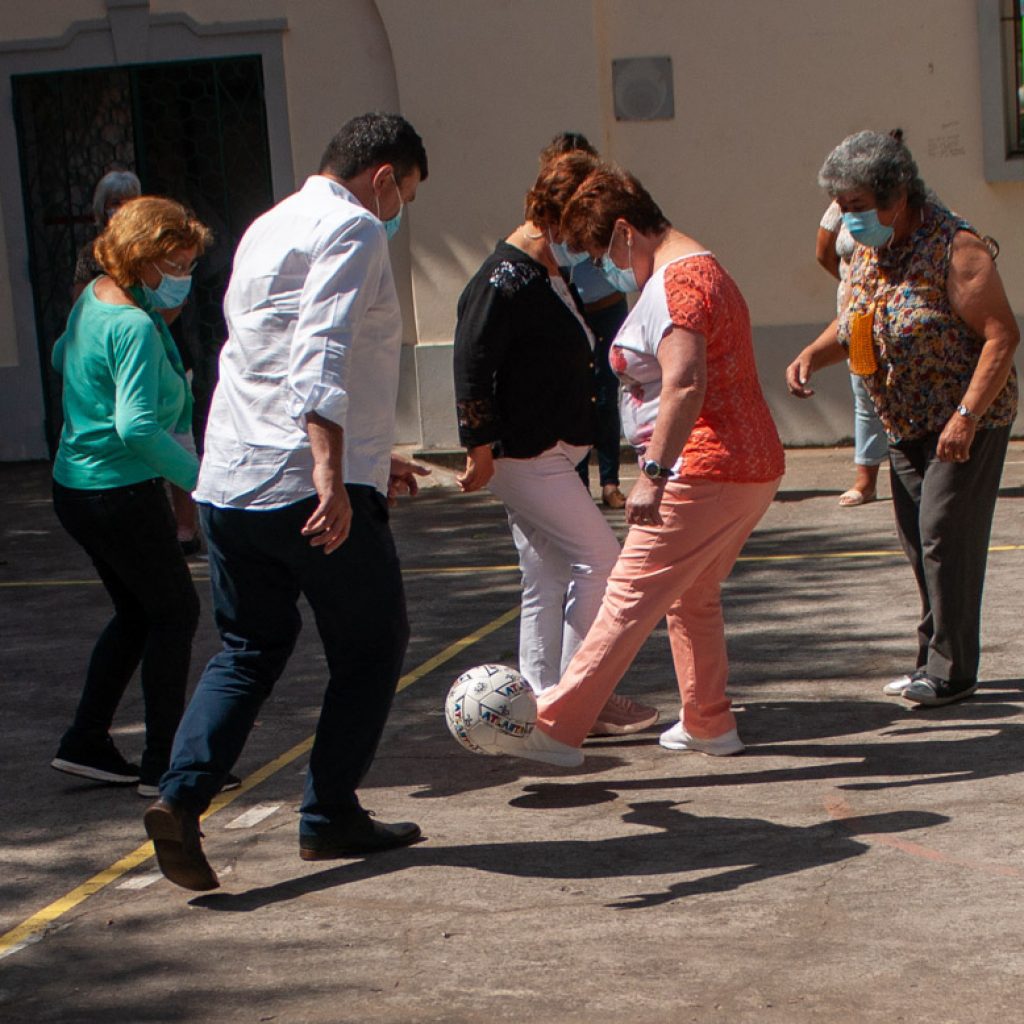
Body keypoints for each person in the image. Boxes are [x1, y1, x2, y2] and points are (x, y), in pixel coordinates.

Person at [143, 113, 432, 891]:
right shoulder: (356, 230)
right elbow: (320, 351)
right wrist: (335, 475)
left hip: (231, 479)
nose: (400, 210)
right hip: (305, 488)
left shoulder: (267, 226)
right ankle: (328, 812)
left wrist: (370, 457)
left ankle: (180, 797)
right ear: (381, 179)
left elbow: (262, 353)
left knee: (249, 648)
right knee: (371, 648)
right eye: (404, 192)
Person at [480, 165, 785, 767]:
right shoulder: (704, 267)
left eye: (598, 251)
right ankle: (708, 722)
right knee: (691, 593)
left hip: (703, 469)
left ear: (625, 232)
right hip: (746, 467)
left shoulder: (678, 281)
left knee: (624, 599)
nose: (598, 267)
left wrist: (653, 473)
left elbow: (685, 382)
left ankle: (558, 727)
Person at [786, 130, 1018, 705]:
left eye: (858, 207)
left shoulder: (955, 247)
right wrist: (814, 353)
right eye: (843, 206)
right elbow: (856, 321)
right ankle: (930, 657)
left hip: (964, 419)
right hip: (904, 420)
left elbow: (1001, 335)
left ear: (899, 197)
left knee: (943, 534)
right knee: (919, 541)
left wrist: (966, 415)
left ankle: (953, 670)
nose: (847, 218)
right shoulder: (871, 249)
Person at [453, 153, 658, 736]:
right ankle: (578, 694)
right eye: (580, 232)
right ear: (552, 218)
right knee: (601, 562)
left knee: (545, 572)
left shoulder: (544, 271)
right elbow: (471, 360)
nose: (589, 248)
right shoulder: (505, 278)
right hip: (527, 453)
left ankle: (540, 697)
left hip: (549, 450)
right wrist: (479, 444)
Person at [50, 197, 212, 793]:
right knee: (175, 613)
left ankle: (86, 740)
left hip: (78, 489)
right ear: (143, 259)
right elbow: (138, 428)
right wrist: (207, 483)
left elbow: (58, 357)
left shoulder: (95, 298)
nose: (183, 279)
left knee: (139, 613)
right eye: (175, 265)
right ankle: (164, 765)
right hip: (118, 492)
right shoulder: (134, 325)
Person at [540, 132, 628, 509]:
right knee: (574, 396)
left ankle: (610, 480)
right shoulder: (547, 206)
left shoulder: (601, 200)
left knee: (607, 396)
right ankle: (577, 483)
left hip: (606, 306)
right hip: (568, 311)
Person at [816, 198, 888, 505]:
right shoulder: (842, 203)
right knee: (864, 390)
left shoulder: (903, 196)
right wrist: (853, 283)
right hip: (855, 314)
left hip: (891, 308)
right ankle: (865, 481)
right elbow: (823, 252)